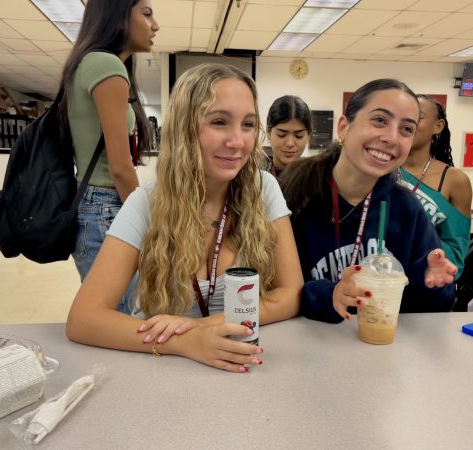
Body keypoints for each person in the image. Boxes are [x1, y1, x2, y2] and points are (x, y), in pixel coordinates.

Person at [66, 63, 304, 373]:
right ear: (184, 128)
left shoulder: (263, 189)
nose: (237, 141)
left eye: (248, 124)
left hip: (241, 363)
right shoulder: (147, 203)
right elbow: (84, 319)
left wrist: (207, 326)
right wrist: (184, 341)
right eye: (219, 122)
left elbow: (291, 293)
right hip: (166, 371)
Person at [280, 79, 457, 323]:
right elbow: (274, 290)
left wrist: (426, 278)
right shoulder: (294, 197)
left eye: (406, 129)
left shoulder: (407, 207)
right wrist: (328, 295)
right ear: (343, 127)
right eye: (380, 120)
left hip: (379, 347)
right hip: (307, 345)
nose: (392, 138)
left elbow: (436, 308)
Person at [58, 0, 159, 314]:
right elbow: (119, 167)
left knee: (117, 311)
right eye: (146, 13)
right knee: (119, 315)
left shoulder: (87, 63)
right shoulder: (106, 65)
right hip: (105, 206)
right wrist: (148, 221)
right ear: (117, 18)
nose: (155, 25)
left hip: (92, 203)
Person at [399, 95, 472, 278]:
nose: (407, 122)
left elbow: (456, 253)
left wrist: (414, 239)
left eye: (417, 116)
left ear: (437, 126)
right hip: (383, 281)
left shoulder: (455, 180)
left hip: (429, 285)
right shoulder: (380, 171)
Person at [265, 95, 312, 179]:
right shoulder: (254, 176)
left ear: (308, 136)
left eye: (299, 136)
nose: (290, 143)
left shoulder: (316, 179)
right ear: (269, 133)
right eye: (281, 135)